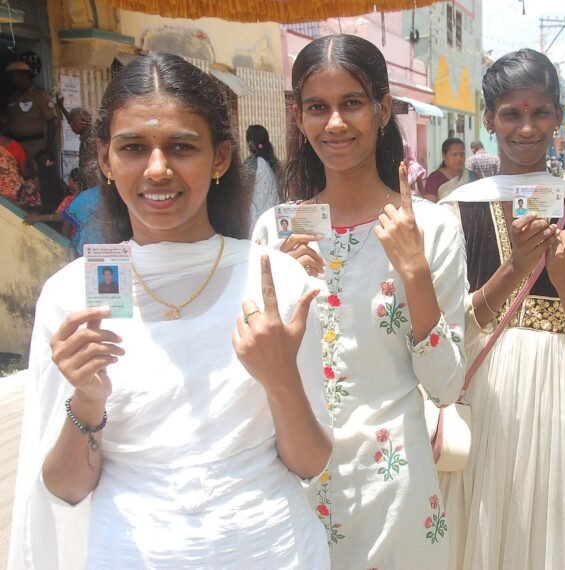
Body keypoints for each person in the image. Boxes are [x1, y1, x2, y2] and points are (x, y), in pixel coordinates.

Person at [9, 53, 332, 569]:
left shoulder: (276, 282)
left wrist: (280, 381)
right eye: (133, 148)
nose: (157, 169)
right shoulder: (74, 298)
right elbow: (67, 490)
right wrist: (88, 400)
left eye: (182, 147)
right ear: (106, 160)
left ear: (220, 158)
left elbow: (311, 464)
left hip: (272, 551)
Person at [254, 34, 466, 569]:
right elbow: (255, 374)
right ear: (298, 117)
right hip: (293, 485)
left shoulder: (431, 228)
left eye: (351, 103)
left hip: (395, 490)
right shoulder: (275, 231)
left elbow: (446, 385)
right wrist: (279, 280)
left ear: (382, 109)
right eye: (317, 108)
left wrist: (414, 273)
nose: (335, 124)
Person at [438, 48, 565, 570]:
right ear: (489, 119)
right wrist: (514, 267)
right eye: (511, 113)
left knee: (551, 530)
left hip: (559, 392)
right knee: (476, 527)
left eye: (540, 112)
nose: (526, 127)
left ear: (558, 116)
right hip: (479, 390)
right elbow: (451, 330)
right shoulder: (455, 210)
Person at [4, 60, 59, 161]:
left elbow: (53, 124)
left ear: (22, 75)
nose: (10, 79)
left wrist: (48, 150)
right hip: (17, 147)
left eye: (12, 76)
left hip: (36, 147)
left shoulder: (40, 97)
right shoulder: (13, 98)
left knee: (37, 175)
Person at [244, 124, 281, 228]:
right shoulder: (274, 163)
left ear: (250, 143)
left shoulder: (251, 164)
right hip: (274, 218)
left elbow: (243, 194)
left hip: (255, 221)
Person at [424, 138, 474, 202]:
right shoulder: (435, 179)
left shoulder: (472, 176)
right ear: (444, 156)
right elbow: (430, 206)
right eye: (454, 154)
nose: (459, 158)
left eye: (462, 154)